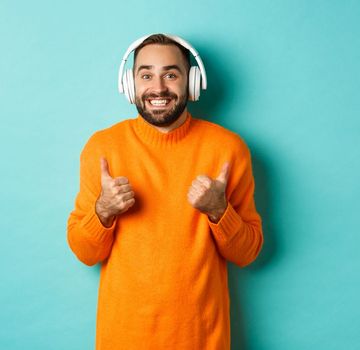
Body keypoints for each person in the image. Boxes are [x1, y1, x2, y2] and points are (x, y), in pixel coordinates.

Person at [66, 33, 264, 349]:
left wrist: (218, 211)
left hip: (203, 340)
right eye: (146, 75)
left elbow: (248, 253)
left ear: (192, 81)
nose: (158, 88)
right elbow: (85, 253)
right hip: (123, 338)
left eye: (170, 74)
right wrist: (103, 212)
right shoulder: (102, 148)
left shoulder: (228, 149)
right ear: (130, 84)